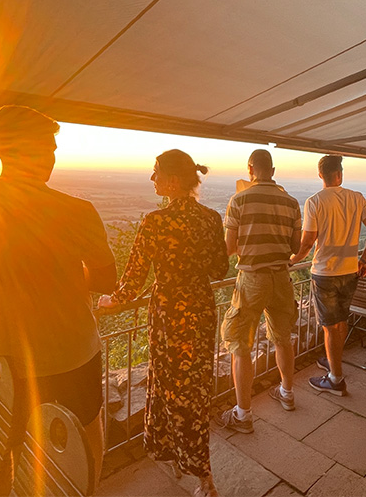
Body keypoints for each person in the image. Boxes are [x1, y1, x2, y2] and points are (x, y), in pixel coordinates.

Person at [0, 105, 117, 493]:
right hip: (73, 354)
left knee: (7, 450)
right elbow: (106, 280)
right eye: (49, 147)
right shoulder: (77, 211)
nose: (52, 157)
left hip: (0, 361)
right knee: (82, 439)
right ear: (38, 152)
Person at [97, 150, 228, 497]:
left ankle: (182, 459)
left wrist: (112, 300)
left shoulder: (156, 222)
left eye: (155, 173)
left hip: (170, 315)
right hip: (200, 311)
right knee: (195, 391)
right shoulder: (211, 219)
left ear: (172, 181)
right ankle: (201, 473)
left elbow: (133, 280)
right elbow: (219, 270)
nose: (151, 179)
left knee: (169, 386)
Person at [216, 150, 301, 433]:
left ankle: (243, 414)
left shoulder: (238, 200)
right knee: (283, 338)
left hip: (252, 278)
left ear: (250, 169)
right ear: (273, 170)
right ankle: (287, 394)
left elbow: (228, 249)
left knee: (240, 344)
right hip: (281, 277)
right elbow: (296, 247)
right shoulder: (291, 202)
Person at [290, 155, 366, 396]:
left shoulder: (314, 201)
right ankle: (334, 362)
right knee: (341, 322)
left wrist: (292, 259)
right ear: (340, 173)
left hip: (325, 273)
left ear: (320, 174)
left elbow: (308, 241)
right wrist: (364, 259)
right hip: (350, 271)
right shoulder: (357, 197)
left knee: (330, 327)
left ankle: (335, 380)